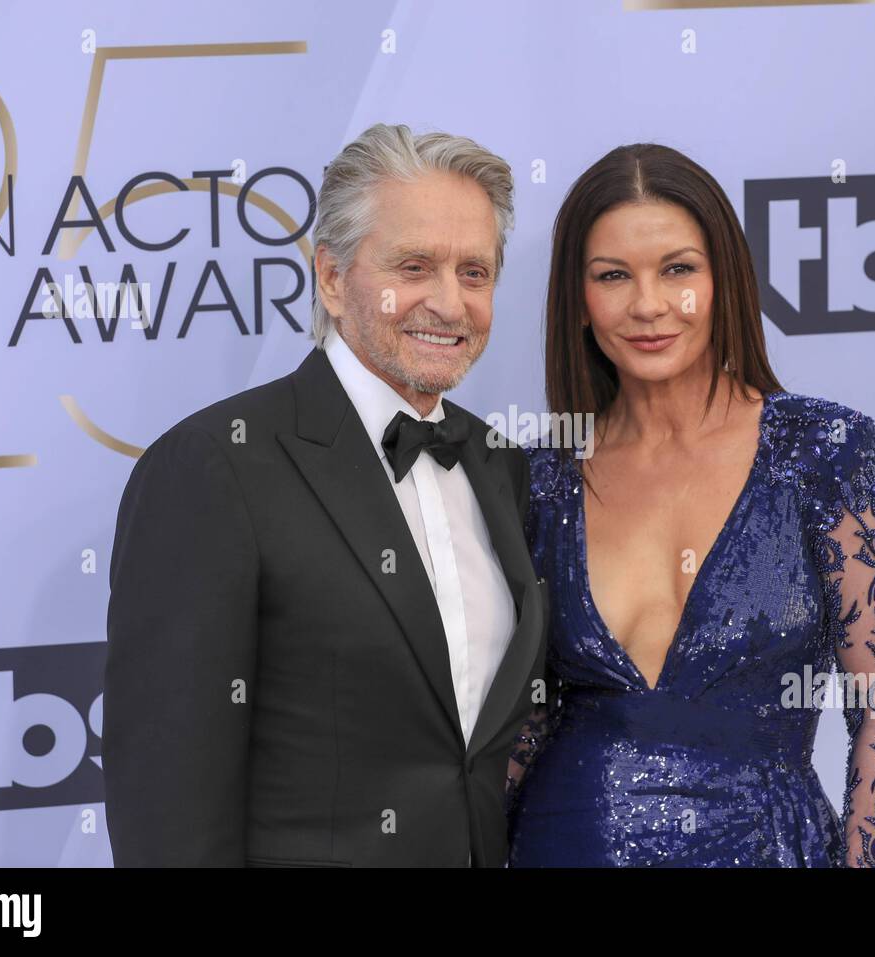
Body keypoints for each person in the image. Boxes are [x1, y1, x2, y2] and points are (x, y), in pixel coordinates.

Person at [104, 123, 546, 867]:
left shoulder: (498, 463)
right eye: (414, 265)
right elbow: (168, 808)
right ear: (332, 278)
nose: (449, 302)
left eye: (475, 273)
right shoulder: (215, 467)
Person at [505, 143, 875, 867]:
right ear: (578, 300)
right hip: (564, 843)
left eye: (678, 269)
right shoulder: (541, 478)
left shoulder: (823, 449)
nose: (648, 305)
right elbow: (528, 721)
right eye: (612, 276)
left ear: (724, 278)